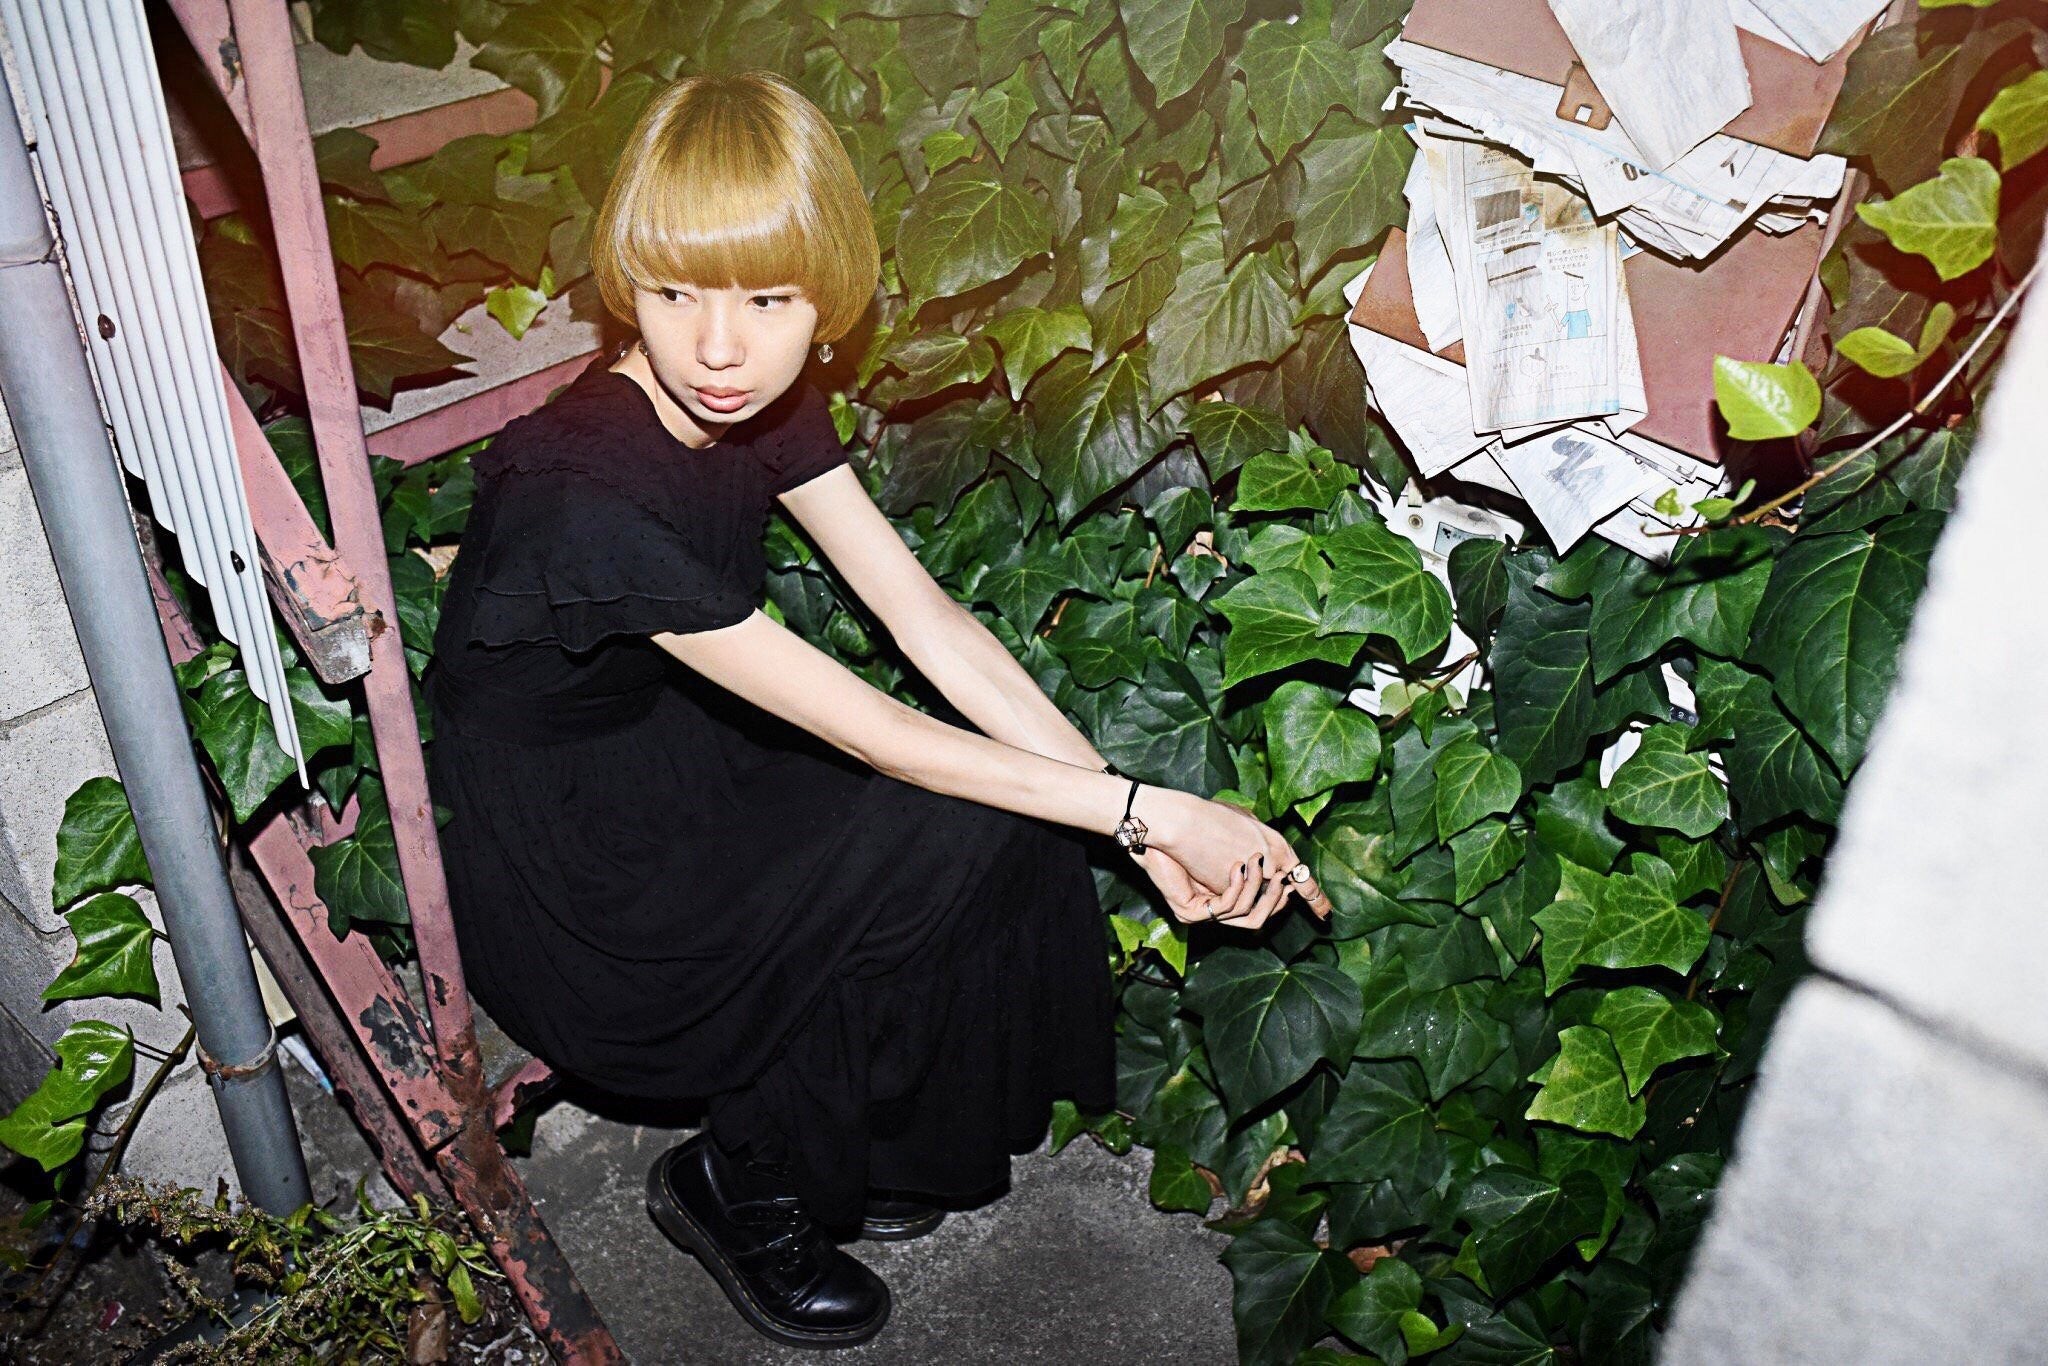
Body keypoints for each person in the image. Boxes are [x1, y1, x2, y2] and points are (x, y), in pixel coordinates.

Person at [424, 70, 1332, 1351]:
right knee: (944, 819)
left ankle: (850, 1135)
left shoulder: (755, 400)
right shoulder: (582, 493)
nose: (719, 348)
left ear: (826, 297)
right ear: (627, 284)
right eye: (677, 295)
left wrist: (1134, 822)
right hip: (578, 877)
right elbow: (877, 730)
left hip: (676, 760)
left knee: (1003, 816)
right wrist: (1148, 814)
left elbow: (926, 620)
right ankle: (729, 1175)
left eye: (767, 300)